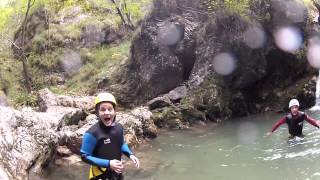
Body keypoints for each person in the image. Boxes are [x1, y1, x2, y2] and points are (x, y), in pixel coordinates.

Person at [80, 92, 140, 180]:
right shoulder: (92, 133)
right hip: (99, 175)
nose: (107, 112)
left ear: (114, 111)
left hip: (116, 173)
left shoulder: (119, 128)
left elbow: (121, 144)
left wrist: (130, 155)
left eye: (110, 109)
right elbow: (84, 156)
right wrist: (108, 163)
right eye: (103, 109)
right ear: (97, 112)